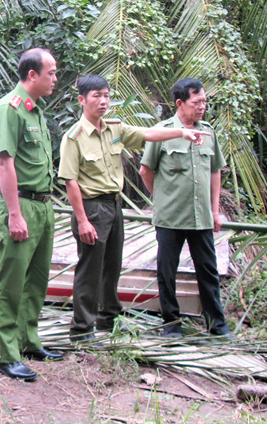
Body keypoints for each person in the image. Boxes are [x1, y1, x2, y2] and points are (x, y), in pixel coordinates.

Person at [59, 74, 209, 342]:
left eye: (106, 95)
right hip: (91, 208)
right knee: (89, 270)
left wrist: (182, 132)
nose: (104, 101)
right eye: (97, 96)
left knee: (112, 267)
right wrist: (82, 220)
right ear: (82, 100)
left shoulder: (114, 129)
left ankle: (108, 321)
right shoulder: (75, 137)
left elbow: (148, 134)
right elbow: (70, 182)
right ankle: (82, 329)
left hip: (114, 207)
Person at [0, 48, 63, 382]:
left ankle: (28, 340)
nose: (55, 79)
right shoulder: (10, 110)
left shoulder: (36, 111)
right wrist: (14, 214)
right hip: (21, 205)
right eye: (51, 73)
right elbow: (5, 163)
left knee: (36, 279)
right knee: (10, 281)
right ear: (31, 75)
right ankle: (5, 354)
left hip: (43, 204)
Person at [139, 78, 232, 339]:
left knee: (208, 270)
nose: (202, 107)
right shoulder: (162, 131)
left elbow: (215, 173)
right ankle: (171, 323)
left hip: (201, 216)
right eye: (197, 102)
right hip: (170, 217)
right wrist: (161, 197)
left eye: (204, 101)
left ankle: (217, 324)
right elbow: (146, 170)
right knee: (167, 271)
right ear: (180, 103)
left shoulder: (209, 132)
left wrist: (215, 211)